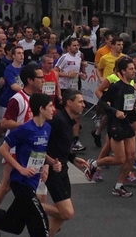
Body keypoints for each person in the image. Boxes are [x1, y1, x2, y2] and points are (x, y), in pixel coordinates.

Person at [0, 93, 54, 237]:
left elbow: (41, 150)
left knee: (14, 225)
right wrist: (21, 169)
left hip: (33, 181)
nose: (53, 110)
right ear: (41, 109)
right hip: (20, 182)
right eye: (51, 106)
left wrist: (49, 164)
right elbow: (3, 149)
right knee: (40, 222)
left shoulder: (47, 128)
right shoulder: (25, 129)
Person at [85, 57, 136, 197]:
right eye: (131, 69)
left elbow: (127, 104)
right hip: (115, 124)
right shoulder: (115, 86)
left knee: (132, 156)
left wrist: (135, 108)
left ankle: (118, 186)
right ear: (123, 71)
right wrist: (115, 111)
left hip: (126, 123)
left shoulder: (130, 86)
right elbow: (102, 102)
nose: (134, 71)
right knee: (119, 159)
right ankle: (93, 163)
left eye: (134, 68)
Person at [43, 89, 88, 236]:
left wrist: (73, 158)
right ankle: (28, 206)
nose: (84, 105)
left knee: (60, 215)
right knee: (66, 213)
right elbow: (44, 144)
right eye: (80, 101)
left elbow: (60, 145)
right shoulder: (57, 121)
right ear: (69, 103)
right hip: (53, 170)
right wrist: (46, 164)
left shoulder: (69, 121)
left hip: (63, 168)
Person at [54, 38, 87, 151]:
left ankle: (75, 140)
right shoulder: (64, 57)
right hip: (64, 89)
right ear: (68, 47)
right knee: (63, 115)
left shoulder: (79, 57)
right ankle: (60, 138)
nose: (76, 47)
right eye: (74, 45)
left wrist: (82, 75)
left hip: (74, 89)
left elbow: (79, 73)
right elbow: (55, 71)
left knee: (77, 115)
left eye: (77, 45)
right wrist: (67, 75)